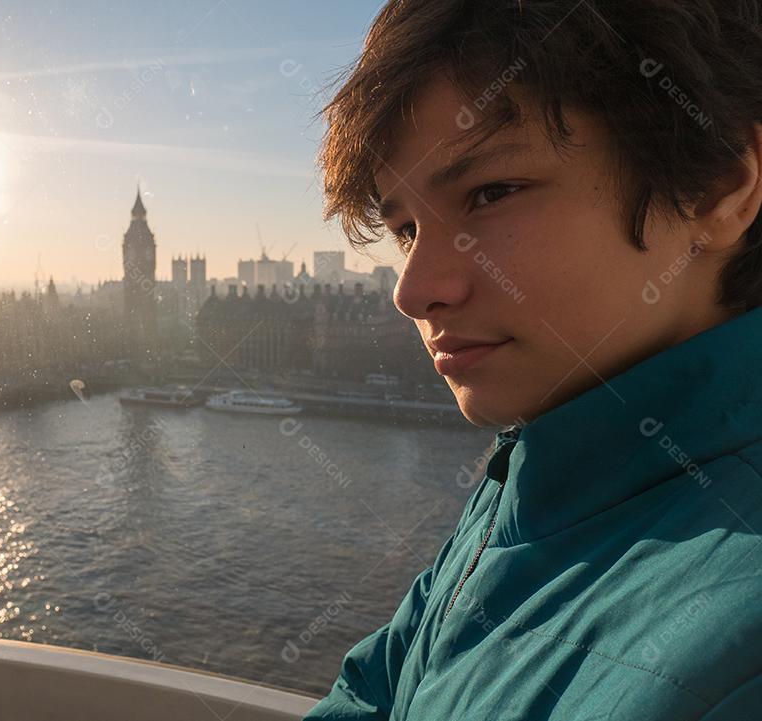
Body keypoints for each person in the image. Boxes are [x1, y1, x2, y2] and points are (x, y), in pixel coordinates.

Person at [305, 1, 762, 718]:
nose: (413, 291)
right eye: (406, 228)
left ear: (718, 186)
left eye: (491, 193)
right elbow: (380, 688)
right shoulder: (536, 470)